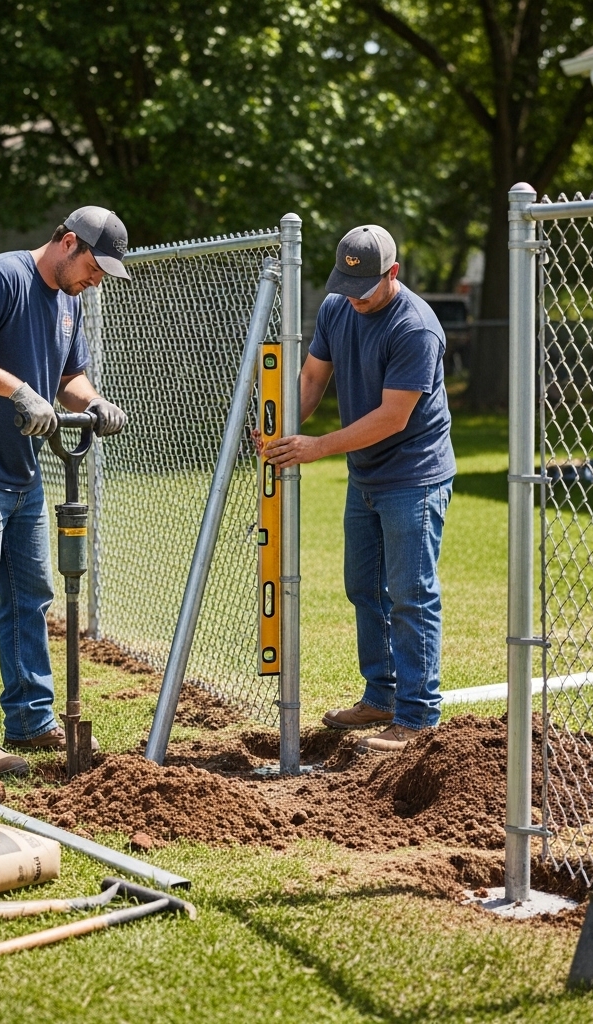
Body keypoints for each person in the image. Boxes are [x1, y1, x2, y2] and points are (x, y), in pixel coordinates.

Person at [0, 207, 129, 776]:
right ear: (66, 242)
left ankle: (32, 721)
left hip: (21, 472)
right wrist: (18, 392)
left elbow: (67, 379)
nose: (96, 280)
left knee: (30, 596)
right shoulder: (2, 276)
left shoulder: (69, 301)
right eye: (93, 267)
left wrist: (93, 402)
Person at [262, 224, 456, 753]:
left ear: (392, 274)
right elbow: (310, 380)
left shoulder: (415, 328)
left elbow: (393, 417)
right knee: (363, 589)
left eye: (364, 288)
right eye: (345, 287)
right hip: (366, 475)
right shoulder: (337, 308)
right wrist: (280, 430)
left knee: (411, 596)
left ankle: (417, 718)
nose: (353, 299)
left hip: (413, 476)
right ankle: (381, 696)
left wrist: (316, 446)